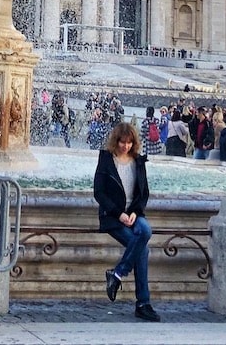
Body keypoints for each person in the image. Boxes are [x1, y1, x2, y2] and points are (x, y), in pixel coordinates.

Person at [94, 121, 160, 323]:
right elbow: (99, 192)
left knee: (146, 230)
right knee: (143, 250)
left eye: (129, 143)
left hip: (133, 214)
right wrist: (119, 214)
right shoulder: (106, 159)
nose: (126, 146)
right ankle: (143, 304)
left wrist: (133, 212)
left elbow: (144, 193)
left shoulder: (138, 161)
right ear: (116, 141)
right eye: (122, 142)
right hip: (113, 217)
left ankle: (117, 274)